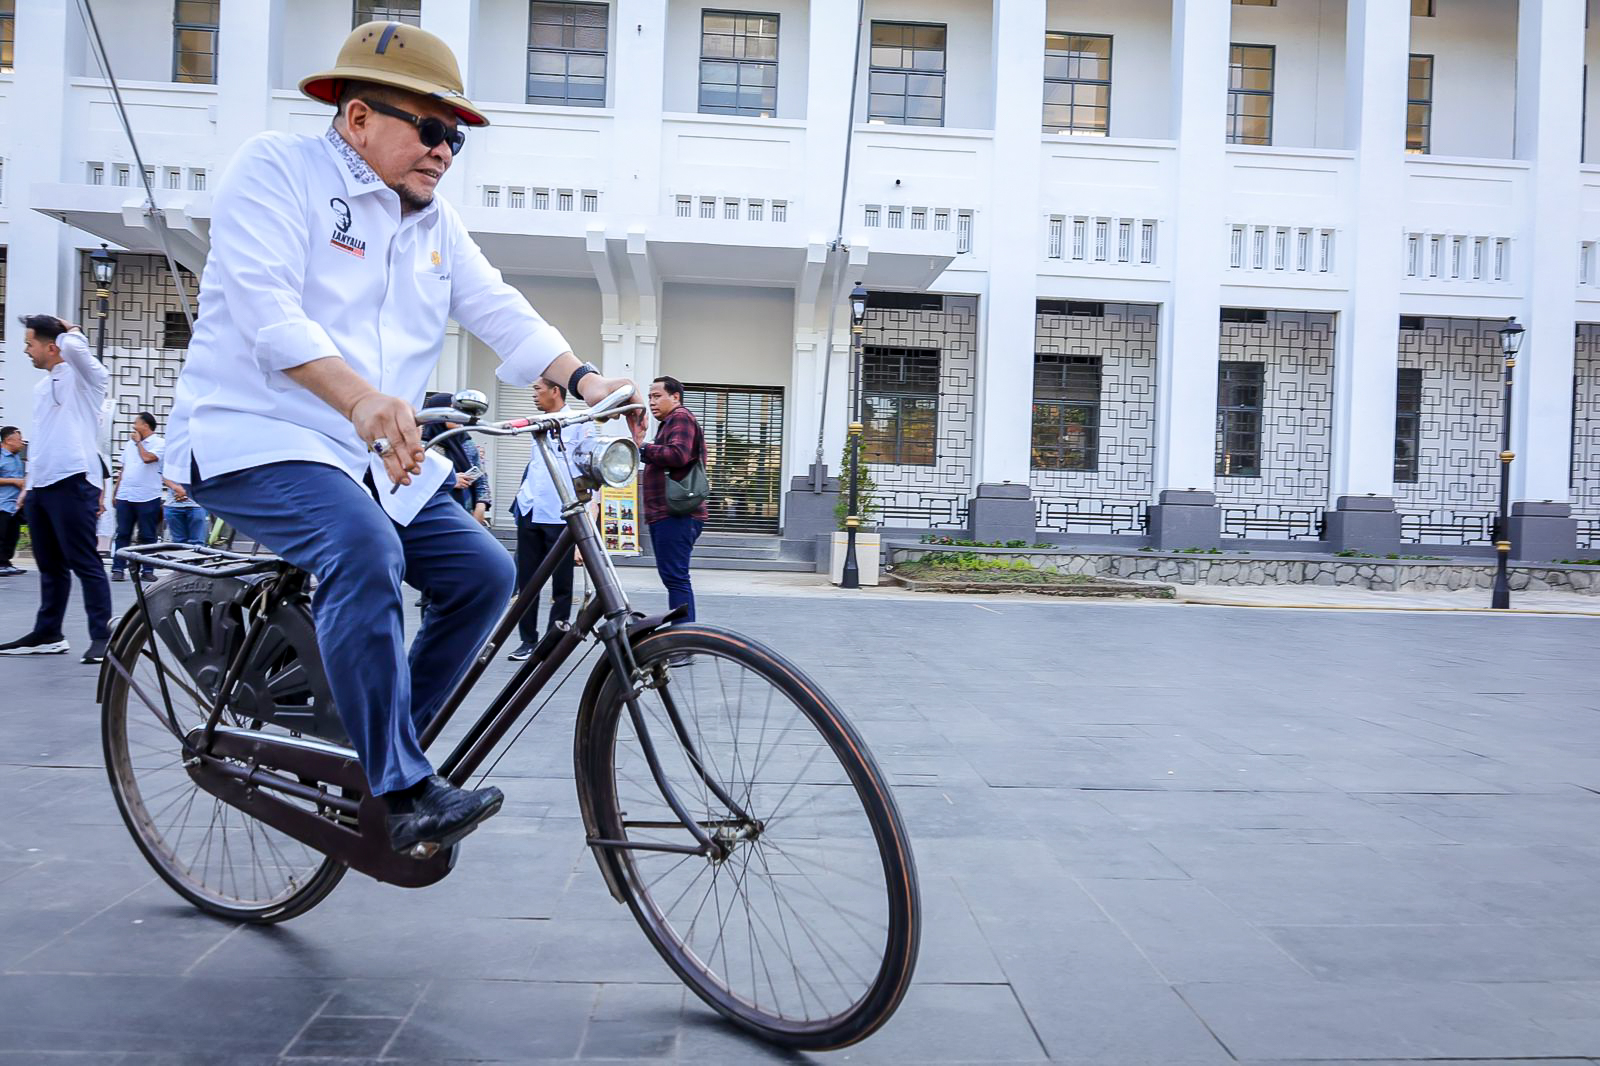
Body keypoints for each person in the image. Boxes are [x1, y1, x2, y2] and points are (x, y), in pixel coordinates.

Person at [160, 21, 642, 857]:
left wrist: (589, 382)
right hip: (256, 435)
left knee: (485, 575)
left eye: (454, 138)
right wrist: (359, 399)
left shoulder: (434, 224)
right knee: (363, 551)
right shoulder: (278, 171)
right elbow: (266, 310)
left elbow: (497, 309)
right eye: (429, 129)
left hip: (369, 454)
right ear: (355, 118)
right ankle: (401, 786)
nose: (444, 152)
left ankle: (372, 760)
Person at [0, 316, 113, 663]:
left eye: (30, 342)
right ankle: (49, 633)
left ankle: (102, 637)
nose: (25, 349)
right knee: (49, 565)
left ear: (52, 346)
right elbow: (45, 440)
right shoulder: (40, 388)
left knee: (86, 561)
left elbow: (91, 365)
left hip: (73, 480)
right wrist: (28, 487)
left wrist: (72, 331)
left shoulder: (83, 381)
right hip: (40, 488)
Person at [507, 376, 593, 662]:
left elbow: (587, 470)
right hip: (530, 508)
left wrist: (587, 517)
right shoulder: (535, 420)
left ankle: (552, 640)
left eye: (537, 389)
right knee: (527, 582)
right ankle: (526, 641)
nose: (534, 394)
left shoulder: (579, 422)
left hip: (560, 512)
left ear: (555, 391)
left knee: (562, 584)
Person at [640, 376, 707, 622]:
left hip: (677, 513)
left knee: (676, 578)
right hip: (667, 512)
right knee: (673, 577)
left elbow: (678, 454)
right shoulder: (668, 423)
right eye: (650, 397)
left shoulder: (681, 417)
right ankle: (683, 636)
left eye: (657, 396)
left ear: (675, 397)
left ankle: (683, 639)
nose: (652, 402)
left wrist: (643, 448)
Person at [110, 412, 165, 581]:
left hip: (148, 496)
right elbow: (123, 469)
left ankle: (147, 570)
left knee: (148, 535)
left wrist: (139, 443)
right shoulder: (129, 444)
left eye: (136, 423)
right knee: (123, 533)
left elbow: (147, 458)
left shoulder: (160, 443)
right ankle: (118, 569)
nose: (133, 427)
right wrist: (116, 491)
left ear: (146, 426)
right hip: (126, 495)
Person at [0, 426, 26, 576]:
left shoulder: (17, 457)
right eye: (19, 440)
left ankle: (6, 562)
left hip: (15, 505)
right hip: (2, 503)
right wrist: (14, 481)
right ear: (8, 440)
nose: (22, 443)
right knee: (1, 536)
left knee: (12, 536)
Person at [161, 476, 209, 546]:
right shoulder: (169, 464)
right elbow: (164, 476)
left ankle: (196, 557)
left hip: (197, 505)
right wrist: (177, 488)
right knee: (178, 542)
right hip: (172, 506)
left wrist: (185, 491)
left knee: (197, 543)